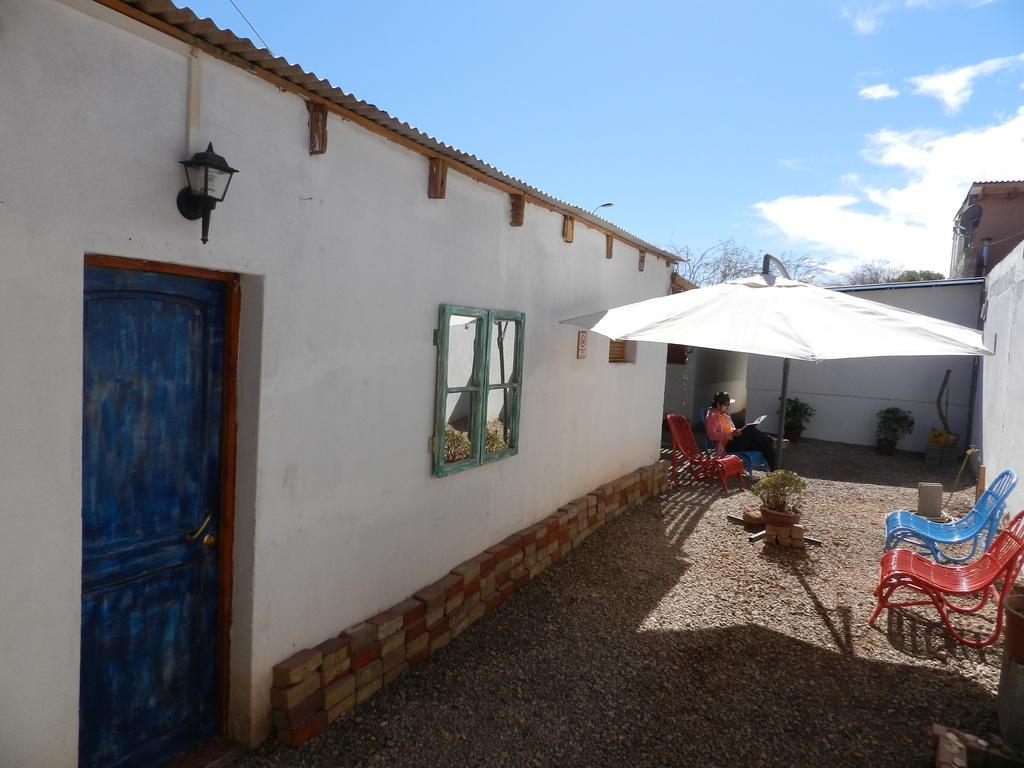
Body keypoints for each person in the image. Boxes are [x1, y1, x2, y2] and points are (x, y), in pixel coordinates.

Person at [705, 391, 778, 471]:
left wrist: (737, 431)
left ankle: (774, 472)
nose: (728, 407)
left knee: (766, 446)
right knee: (752, 431)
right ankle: (772, 440)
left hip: (735, 440)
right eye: (726, 404)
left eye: (729, 404)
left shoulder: (725, 414)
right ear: (718, 404)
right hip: (727, 445)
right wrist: (731, 435)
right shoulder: (712, 416)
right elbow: (712, 435)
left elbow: (730, 428)